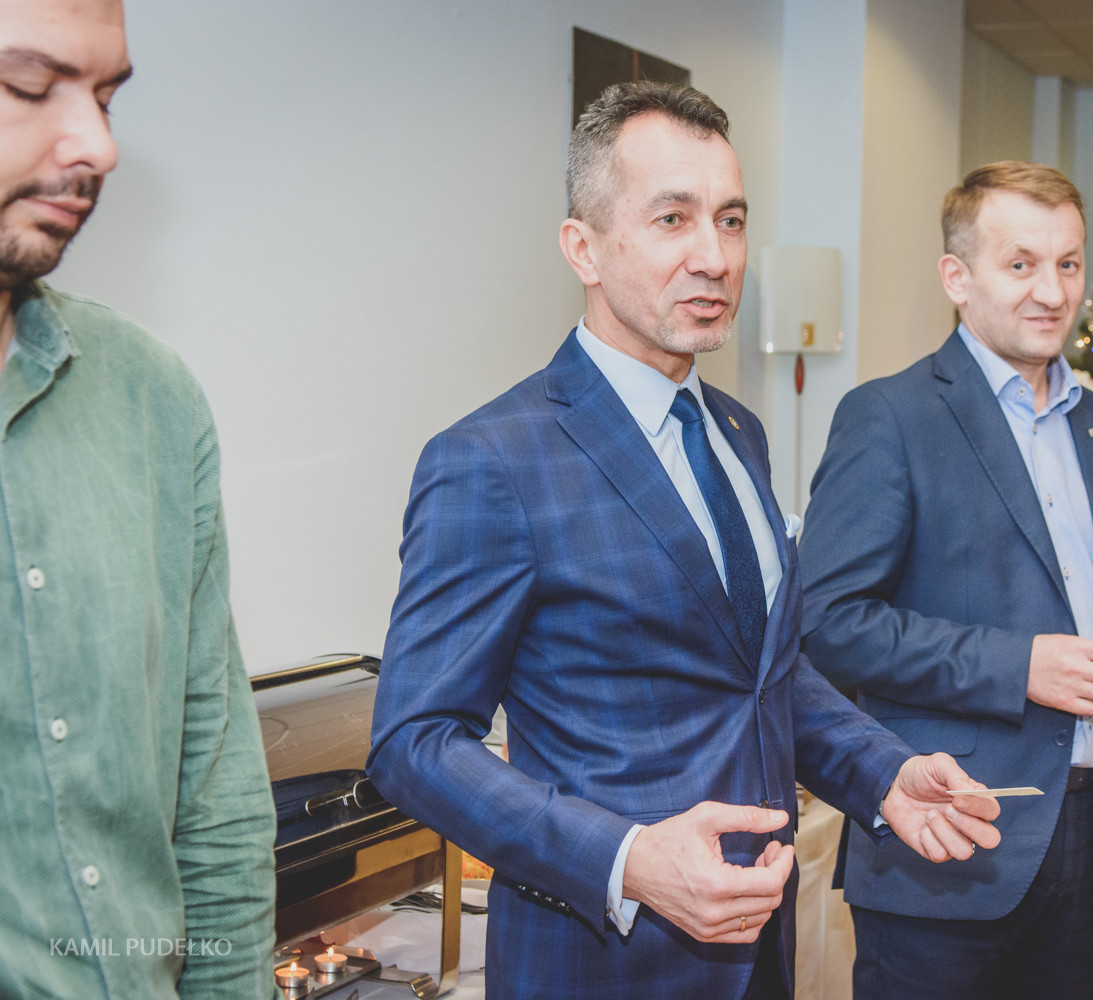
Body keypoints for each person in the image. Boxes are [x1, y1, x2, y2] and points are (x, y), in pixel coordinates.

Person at [366, 81, 1000, 1000]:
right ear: (583, 247)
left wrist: (883, 773)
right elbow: (414, 741)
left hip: (761, 952)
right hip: (598, 964)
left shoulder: (739, 431)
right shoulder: (493, 461)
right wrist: (626, 859)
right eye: (672, 219)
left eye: (731, 220)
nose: (715, 256)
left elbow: (762, 678)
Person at [798, 160, 1093, 1000]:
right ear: (958, 277)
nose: (1052, 292)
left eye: (1068, 263)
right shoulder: (891, 417)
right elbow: (827, 621)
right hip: (950, 829)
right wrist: (1021, 667)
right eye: (1021, 264)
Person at [0, 1, 277, 997]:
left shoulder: (153, 397)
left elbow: (214, 797)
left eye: (108, 97)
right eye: (29, 85)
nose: (99, 146)